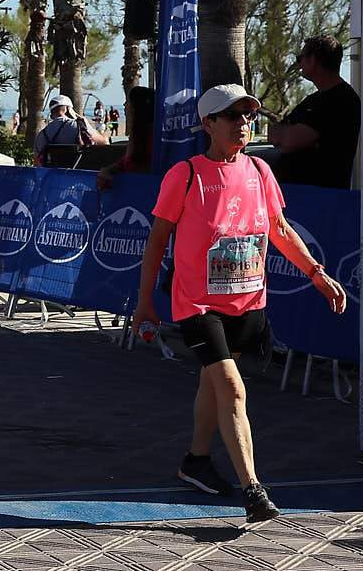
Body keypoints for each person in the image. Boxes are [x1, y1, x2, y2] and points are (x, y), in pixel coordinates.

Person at [129, 85, 347, 526]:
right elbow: (157, 240)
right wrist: (145, 301)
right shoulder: (185, 174)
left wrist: (316, 273)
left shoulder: (260, 171)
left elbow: (281, 231)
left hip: (247, 301)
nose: (243, 124)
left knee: (214, 386)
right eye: (232, 117)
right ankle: (253, 490)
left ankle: (195, 460)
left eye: (248, 116)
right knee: (231, 388)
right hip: (196, 303)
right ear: (208, 124)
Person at [268, 34, 361, 189]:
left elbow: (289, 140)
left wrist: (285, 133)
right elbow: (274, 134)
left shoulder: (342, 100)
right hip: (296, 193)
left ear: (313, 60)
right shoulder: (312, 100)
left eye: (301, 58)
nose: (299, 64)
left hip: (322, 197)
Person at [97, 86, 159, 191]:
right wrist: (108, 170)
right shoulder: (138, 134)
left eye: (128, 101)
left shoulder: (153, 134)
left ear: (137, 107)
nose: (125, 105)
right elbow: (128, 160)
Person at [34, 95, 107, 167]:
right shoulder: (79, 125)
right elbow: (104, 142)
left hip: (52, 176)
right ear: (67, 109)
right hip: (78, 174)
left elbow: (37, 162)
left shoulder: (42, 134)